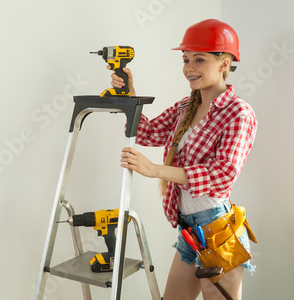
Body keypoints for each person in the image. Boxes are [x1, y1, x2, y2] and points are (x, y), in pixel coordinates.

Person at [110, 19, 257, 300]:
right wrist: (128, 94)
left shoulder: (239, 113)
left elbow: (222, 174)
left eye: (199, 60)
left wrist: (157, 171)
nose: (189, 68)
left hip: (218, 232)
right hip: (189, 230)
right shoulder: (185, 106)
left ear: (224, 63)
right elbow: (147, 133)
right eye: (186, 59)